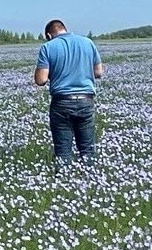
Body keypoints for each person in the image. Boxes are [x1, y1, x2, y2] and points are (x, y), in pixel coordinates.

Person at [33, 18, 103, 161]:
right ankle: (91, 180)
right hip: (86, 100)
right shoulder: (88, 42)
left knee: (63, 153)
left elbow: (41, 80)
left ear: (48, 36)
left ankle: (63, 179)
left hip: (62, 103)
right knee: (87, 151)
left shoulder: (48, 47)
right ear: (65, 29)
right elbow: (98, 73)